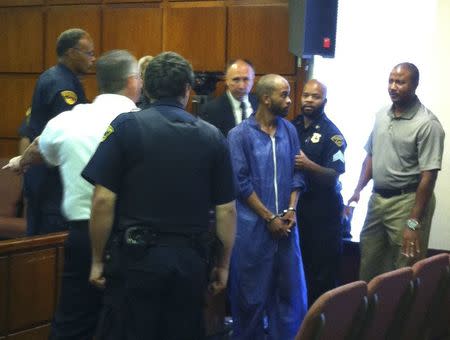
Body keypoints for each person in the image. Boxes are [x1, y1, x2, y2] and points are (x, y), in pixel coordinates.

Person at [81, 51, 236, 340]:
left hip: (136, 260)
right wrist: (223, 265)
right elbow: (227, 210)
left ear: (147, 88)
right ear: (187, 91)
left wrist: (97, 260)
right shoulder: (213, 136)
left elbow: (102, 200)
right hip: (191, 262)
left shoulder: (125, 126)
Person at [3, 50, 141, 340]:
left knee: (73, 322)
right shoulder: (143, 123)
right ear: (132, 82)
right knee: (127, 322)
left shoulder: (67, 121)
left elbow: (41, 147)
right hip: (129, 237)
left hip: (80, 236)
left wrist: (22, 160)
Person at [227, 74, 307, 339]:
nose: (289, 100)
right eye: (283, 94)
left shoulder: (289, 130)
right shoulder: (239, 135)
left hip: (286, 229)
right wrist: (269, 217)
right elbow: (240, 183)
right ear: (265, 98)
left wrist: (292, 209)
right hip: (253, 231)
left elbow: (298, 174)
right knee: (250, 300)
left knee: (289, 301)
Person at [348, 62, 445, 282]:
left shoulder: (427, 124)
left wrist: (413, 223)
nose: (393, 86)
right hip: (378, 200)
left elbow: (429, 176)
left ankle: (400, 317)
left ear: (415, 84)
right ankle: (371, 316)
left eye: (400, 82)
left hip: (408, 202)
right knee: (368, 266)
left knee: (404, 271)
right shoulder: (382, 115)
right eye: (391, 81)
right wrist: (357, 191)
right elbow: (371, 157)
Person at [23, 28, 95, 235]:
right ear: (72, 53)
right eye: (89, 53)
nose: (93, 59)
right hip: (51, 179)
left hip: (42, 174)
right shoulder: (62, 86)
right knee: (49, 245)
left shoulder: (53, 77)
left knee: (37, 241)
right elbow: (69, 133)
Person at [292, 79, 347, 306]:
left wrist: (308, 165)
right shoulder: (291, 127)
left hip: (323, 215)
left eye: (315, 97)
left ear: (324, 101)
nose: (309, 100)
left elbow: (334, 173)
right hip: (298, 210)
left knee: (320, 276)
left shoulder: (333, 135)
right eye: (306, 95)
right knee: (297, 271)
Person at [200, 59, 258, 136]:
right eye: (236, 80)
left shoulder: (261, 105)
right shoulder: (210, 110)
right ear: (226, 80)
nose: (241, 86)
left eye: (246, 79)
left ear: (253, 80)